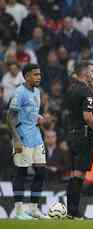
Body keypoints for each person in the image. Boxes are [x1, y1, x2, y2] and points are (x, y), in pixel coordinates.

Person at [7, 63, 49, 219]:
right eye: (35, 74)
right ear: (26, 76)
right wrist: (16, 139)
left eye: (39, 74)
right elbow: (10, 116)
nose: (39, 77)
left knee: (41, 171)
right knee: (21, 172)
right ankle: (18, 211)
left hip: (36, 136)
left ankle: (33, 208)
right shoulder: (20, 92)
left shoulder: (37, 92)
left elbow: (29, 113)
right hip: (22, 137)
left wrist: (39, 118)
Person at [65, 61, 93, 219]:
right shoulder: (85, 90)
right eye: (92, 71)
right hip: (83, 135)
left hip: (72, 134)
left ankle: (70, 210)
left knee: (73, 174)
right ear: (84, 72)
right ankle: (74, 211)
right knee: (79, 174)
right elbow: (87, 116)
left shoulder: (71, 88)